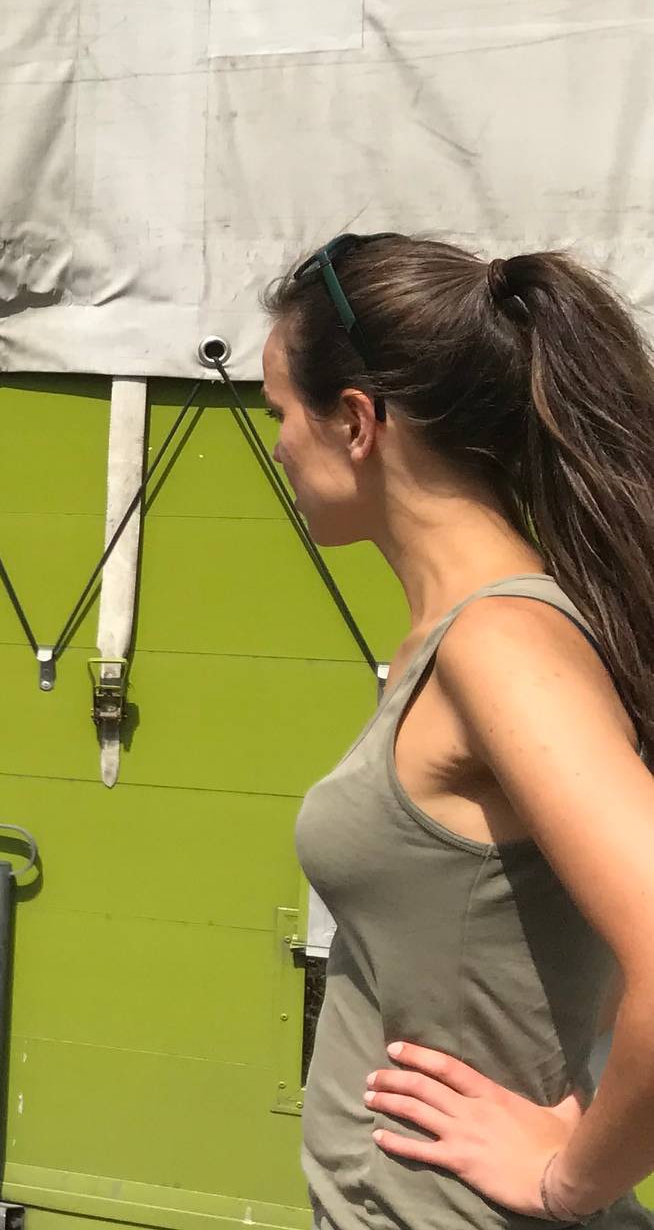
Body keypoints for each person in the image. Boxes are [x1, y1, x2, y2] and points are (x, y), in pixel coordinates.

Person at [272, 233, 654, 1227]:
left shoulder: (500, 645)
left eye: (278, 410)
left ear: (354, 421)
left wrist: (567, 1177)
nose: (274, 444)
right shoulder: (461, 638)